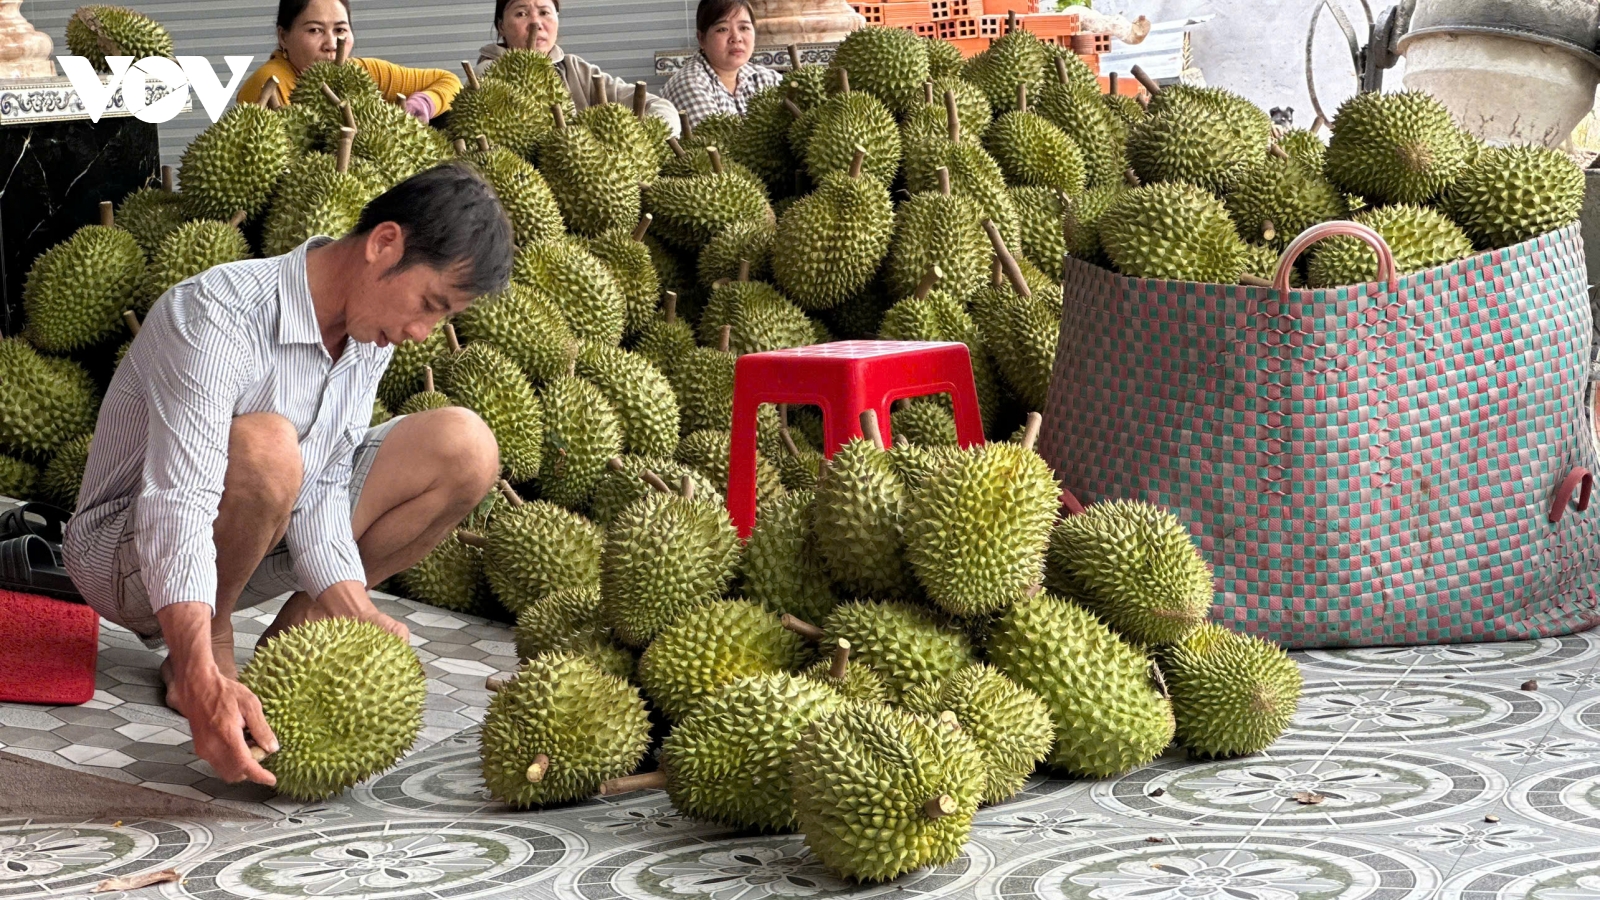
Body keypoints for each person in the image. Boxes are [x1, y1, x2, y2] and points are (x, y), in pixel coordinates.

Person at [63, 164, 514, 788]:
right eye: (429, 306)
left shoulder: (367, 337)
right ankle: (203, 660)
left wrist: (355, 607)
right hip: (127, 556)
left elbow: (323, 488)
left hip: (255, 527)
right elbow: (180, 504)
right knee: (269, 446)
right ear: (385, 244)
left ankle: (283, 663)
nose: (419, 334)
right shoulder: (217, 313)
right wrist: (200, 672)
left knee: (466, 446)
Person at [237, 0, 462, 124]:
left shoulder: (361, 70)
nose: (332, 43)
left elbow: (449, 81)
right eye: (315, 30)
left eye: (340, 29)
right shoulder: (269, 84)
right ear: (283, 36)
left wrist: (424, 103)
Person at [477, 0, 681, 136]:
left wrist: (649, 138)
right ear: (501, 26)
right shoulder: (486, 76)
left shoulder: (576, 69)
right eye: (521, 13)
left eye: (544, 12)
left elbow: (658, 106)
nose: (535, 23)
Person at [664, 0, 781, 129]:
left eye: (744, 28)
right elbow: (716, 145)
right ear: (701, 39)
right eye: (722, 29)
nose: (736, 37)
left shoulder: (767, 78)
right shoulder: (690, 83)